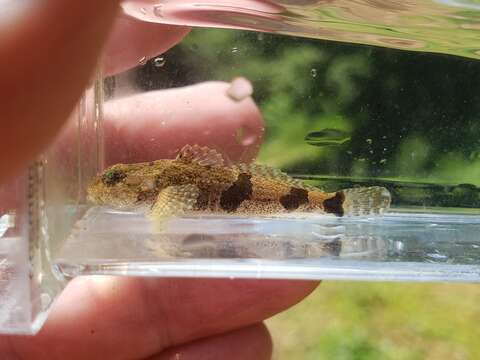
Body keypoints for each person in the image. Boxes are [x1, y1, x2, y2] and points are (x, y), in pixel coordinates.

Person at [0, 1, 318, 359]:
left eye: (114, 179)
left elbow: (173, 203)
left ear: (141, 185)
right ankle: (328, 203)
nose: (103, 188)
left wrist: (160, 223)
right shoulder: (156, 184)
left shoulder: (163, 188)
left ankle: (329, 204)